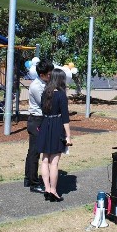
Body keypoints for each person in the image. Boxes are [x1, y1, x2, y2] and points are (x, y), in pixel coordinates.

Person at [37, 68, 72, 202]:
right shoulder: (61, 95)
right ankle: (53, 190)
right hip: (57, 126)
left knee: (45, 159)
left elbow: (42, 109)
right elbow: (65, 118)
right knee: (54, 162)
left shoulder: (45, 92)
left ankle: (46, 189)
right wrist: (68, 136)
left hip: (45, 124)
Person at [24, 59, 54, 193]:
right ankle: (33, 183)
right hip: (37, 120)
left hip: (40, 119)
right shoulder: (37, 86)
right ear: (42, 74)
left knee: (33, 151)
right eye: (49, 74)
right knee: (35, 152)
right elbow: (45, 104)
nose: (50, 76)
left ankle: (28, 178)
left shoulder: (44, 83)